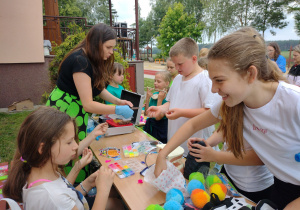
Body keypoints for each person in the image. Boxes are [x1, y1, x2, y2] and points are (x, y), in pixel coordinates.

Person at [152, 27, 300, 209]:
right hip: (281, 186)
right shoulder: (235, 103)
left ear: (251, 74)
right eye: (212, 80)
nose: (213, 89)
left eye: (219, 80)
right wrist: (163, 154)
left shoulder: (294, 102)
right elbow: (192, 125)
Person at [46, 23, 133, 183]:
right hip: (66, 108)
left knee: (76, 145)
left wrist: (118, 101)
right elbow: (88, 104)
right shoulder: (81, 62)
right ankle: (71, 187)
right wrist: (117, 109)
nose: (111, 52)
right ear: (96, 43)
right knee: (68, 148)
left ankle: (79, 185)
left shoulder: (89, 59)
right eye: (108, 47)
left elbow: (98, 88)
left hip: (73, 107)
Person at [3, 106, 125, 209]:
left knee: (117, 195)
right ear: (43, 149)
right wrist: (103, 190)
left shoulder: (42, 171)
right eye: (69, 142)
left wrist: (87, 183)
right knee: (118, 203)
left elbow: (67, 194)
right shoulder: (52, 197)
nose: (76, 146)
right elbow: (62, 198)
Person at [147, 37, 221, 156]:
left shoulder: (205, 80)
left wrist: (181, 113)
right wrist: (161, 108)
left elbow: (210, 112)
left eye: (180, 64)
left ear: (194, 58)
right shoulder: (177, 78)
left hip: (194, 148)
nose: (176, 68)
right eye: (175, 64)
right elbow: (171, 102)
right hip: (174, 144)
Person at [187, 130, 274, 203]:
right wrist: (204, 144)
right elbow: (226, 128)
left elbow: (260, 158)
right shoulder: (232, 109)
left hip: (254, 187)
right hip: (227, 175)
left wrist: (216, 156)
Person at [144, 71, 171, 143]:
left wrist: (160, 100)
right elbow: (147, 114)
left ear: (167, 83)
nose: (155, 83)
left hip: (161, 130)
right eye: (155, 81)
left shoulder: (168, 98)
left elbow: (158, 117)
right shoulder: (155, 95)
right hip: (151, 128)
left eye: (158, 82)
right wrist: (147, 98)